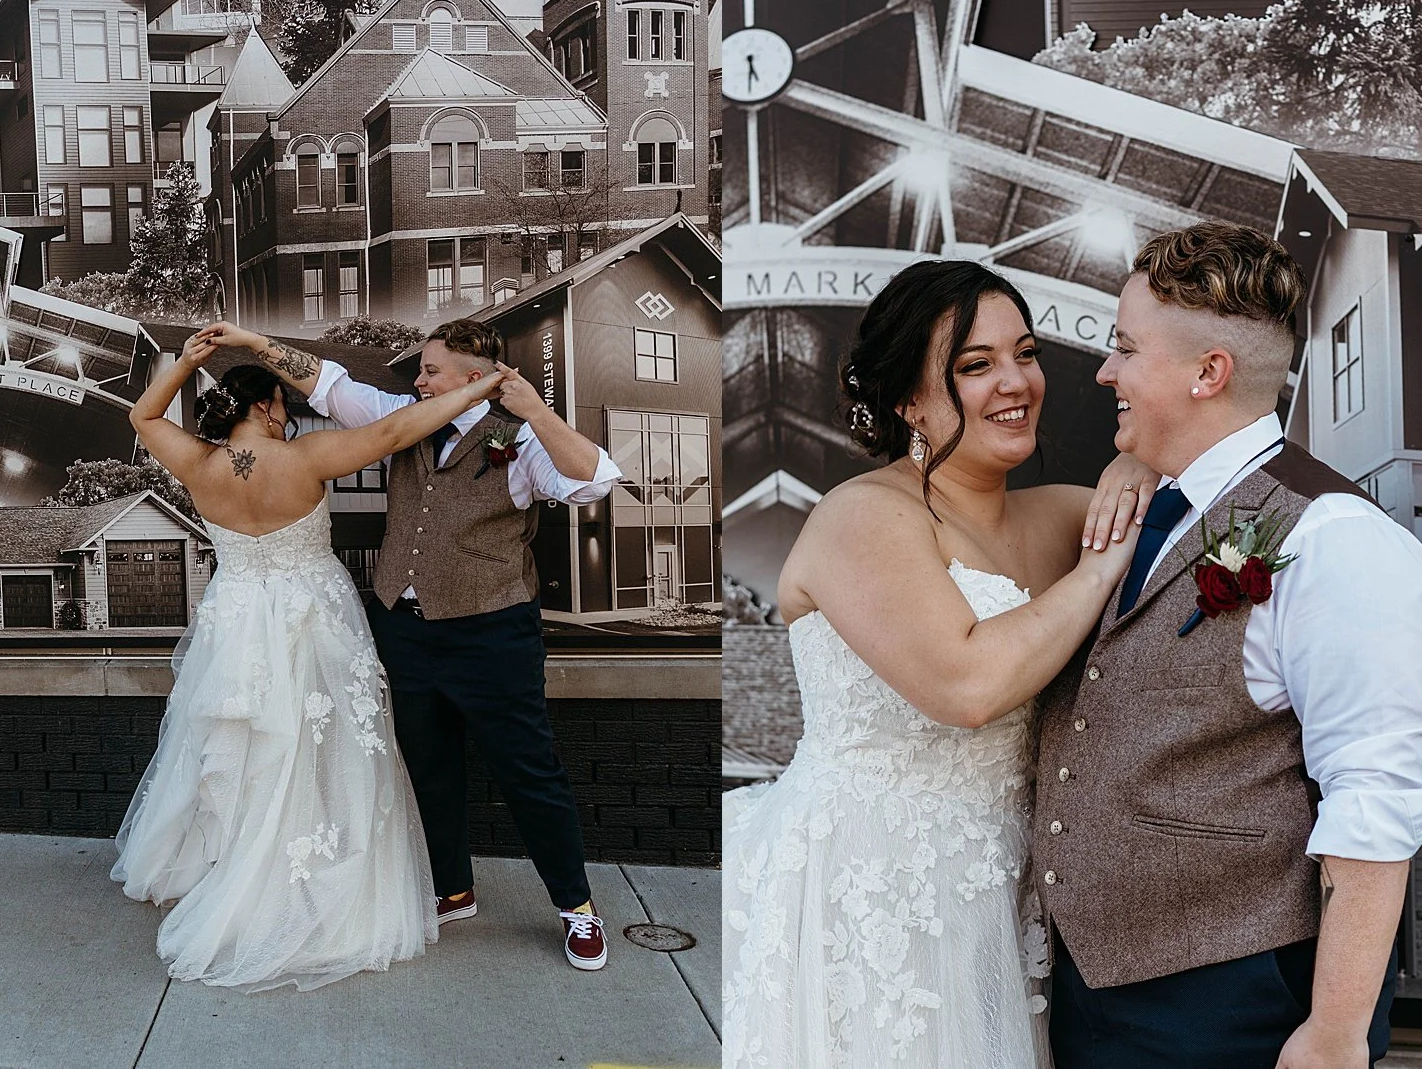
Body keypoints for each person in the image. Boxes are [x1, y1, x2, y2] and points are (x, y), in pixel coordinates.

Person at [722, 260, 1155, 1067]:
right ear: (907, 401)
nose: (1016, 381)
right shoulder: (864, 514)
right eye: (975, 365)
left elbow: (1189, 501)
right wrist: (1097, 572)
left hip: (1005, 890)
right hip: (874, 883)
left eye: (1023, 353)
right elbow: (968, 685)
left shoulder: (1068, 513)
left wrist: (1143, 460)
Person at [1033, 220, 1422, 1068]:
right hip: (1092, 991)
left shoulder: (1336, 539)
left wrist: (1332, 1034)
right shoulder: (1145, 507)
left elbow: (1374, 798)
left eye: (1126, 349)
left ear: (1207, 372)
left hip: (1236, 1002)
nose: (1105, 370)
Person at [205, 317, 624, 971]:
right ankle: (452, 887)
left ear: (473, 376)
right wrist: (255, 344)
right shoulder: (403, 413)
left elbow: (595, 479)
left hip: (492, 632)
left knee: (529, 774)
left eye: (431, 369)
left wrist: (534, 408)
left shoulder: (520, 437)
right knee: (426, 763)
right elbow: (328, 381)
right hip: (405, 628)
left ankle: (578, 908)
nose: (418, 379)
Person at [112, 329, 510, 991]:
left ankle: (240, 861)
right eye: (285, 408)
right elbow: (396, 431)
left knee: (246, 749)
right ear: (269, 406)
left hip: (236, 626)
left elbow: (142, 415)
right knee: (324, 752)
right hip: (313, 621)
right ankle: (305, 877)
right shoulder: (306, 458)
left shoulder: (198, 464)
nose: (290, 416)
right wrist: (478, 386)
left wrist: (185, 362)